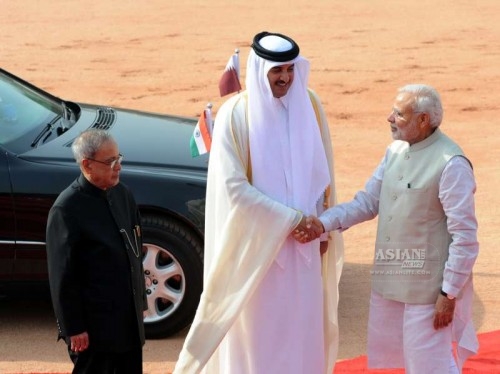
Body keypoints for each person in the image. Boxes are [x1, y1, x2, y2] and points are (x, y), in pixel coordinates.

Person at [173, 31, 344, 373]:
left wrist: (321, 231)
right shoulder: (235, 115)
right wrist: (291, 220)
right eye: (277, 71)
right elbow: (234, 188)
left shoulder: (310, 104)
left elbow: (322, 173)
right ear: (261, 70)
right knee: (260, 339)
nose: (284, 78)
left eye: (290, 70)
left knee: (302, 334)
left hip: (305, 250)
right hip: (257, 251)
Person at [298, 84, 479, 373]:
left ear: (423, 120)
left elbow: (465, 237)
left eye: (399, 114)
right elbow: (368, 201)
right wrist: (323, 223)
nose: (389, 118)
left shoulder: (452, 164)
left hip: (428, 290)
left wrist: (449, 294)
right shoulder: (394, 152)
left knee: (430, 364)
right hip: (391, 281)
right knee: (406, 361)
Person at [46, 129, 147, 374]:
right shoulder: (66, 209)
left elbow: (134, 251)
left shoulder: (123, 195)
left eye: (119, 158)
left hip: (127, 323)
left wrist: (140, 304)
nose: (118, 166)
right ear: (87, 165)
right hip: (94, 331)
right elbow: (62, 276)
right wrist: (73, 327)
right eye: (110, 161)